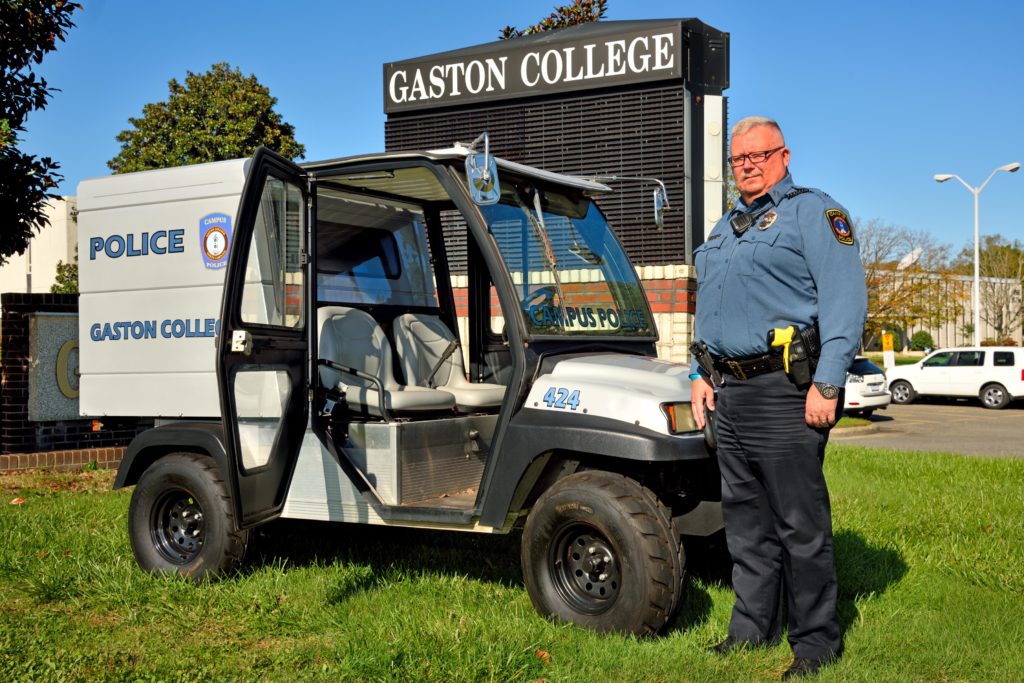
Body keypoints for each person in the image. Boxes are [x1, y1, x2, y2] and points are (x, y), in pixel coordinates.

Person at [689, 116, 867, 679]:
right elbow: (711, 308)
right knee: (745, 524)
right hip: (729, 392)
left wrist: (829, 381)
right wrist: (699, 370)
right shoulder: (724, 228)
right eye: (739, 158)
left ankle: (815, 642)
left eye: (758, 156)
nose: (747, 165)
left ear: (783, 156)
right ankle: (751, 629)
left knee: (799, 523)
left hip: (786, 390)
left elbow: (845, 300)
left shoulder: (813, 213)